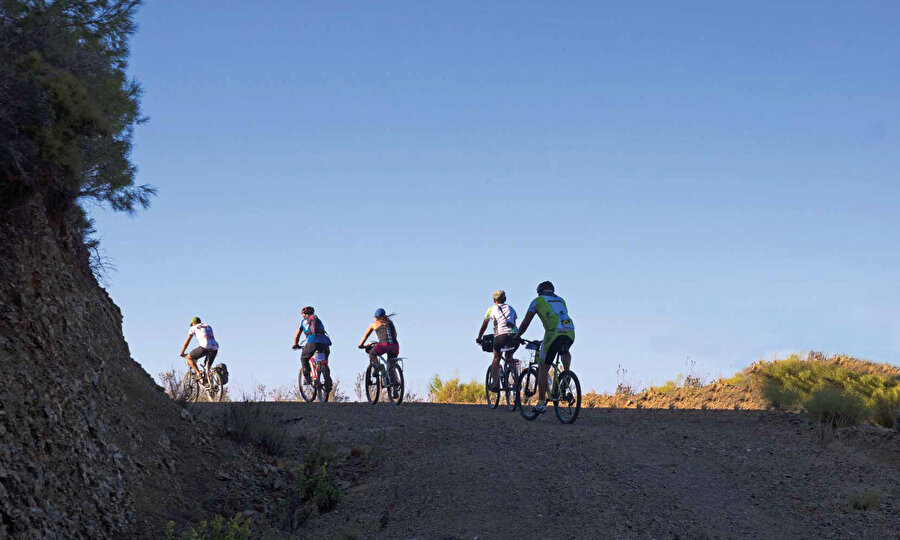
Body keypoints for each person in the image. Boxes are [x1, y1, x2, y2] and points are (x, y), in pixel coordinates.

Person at [514, 281, 574, 413]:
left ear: (540, 292)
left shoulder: (537, 301)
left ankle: (541, 403)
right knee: (564, 349)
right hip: (570, 331)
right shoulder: (561, 300)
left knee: (543, 368)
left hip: (553, 333)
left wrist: (517, 336)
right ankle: (566, 374)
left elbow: (525, 323)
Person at [476, 290, 518, 392]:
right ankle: (517, 381)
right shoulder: (511, 309)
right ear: (505, 299)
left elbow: (484, 325)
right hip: (515, 337)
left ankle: (495, 384)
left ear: (494, 300)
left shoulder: (491, 309)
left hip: (500, 337)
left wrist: (479, 337)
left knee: (497, 358)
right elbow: (514, 324)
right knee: (509, 356)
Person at [292, 306, 332, 388]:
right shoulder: (318, 320)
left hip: (312, 342)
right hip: (325, 343)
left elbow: (297, 336)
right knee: (324, 361)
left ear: (303, 314)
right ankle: (327, 379)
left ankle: (307, 378)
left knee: (304, 358)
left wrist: (295, 344)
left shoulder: (303, 321)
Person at [358, 308, 400, 386]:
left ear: (376, 317)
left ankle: (379, 367)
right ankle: (395, 388)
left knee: (372, 354)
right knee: (391, 365)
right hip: (395, 346)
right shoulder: (390, 323)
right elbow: (395, 334)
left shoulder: (374, 324)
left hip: (383, 345)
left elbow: (365, 336)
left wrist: (361, 345)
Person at [179, 316, 219, 383]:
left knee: (189, 358)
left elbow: (186, 343)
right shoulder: (208, 326)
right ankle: (210, 383)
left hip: (204, 346)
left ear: (194, 323)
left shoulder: (193, 328)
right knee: (207, 367)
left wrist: (182, 353)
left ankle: (198, 374)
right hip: (215, 347)